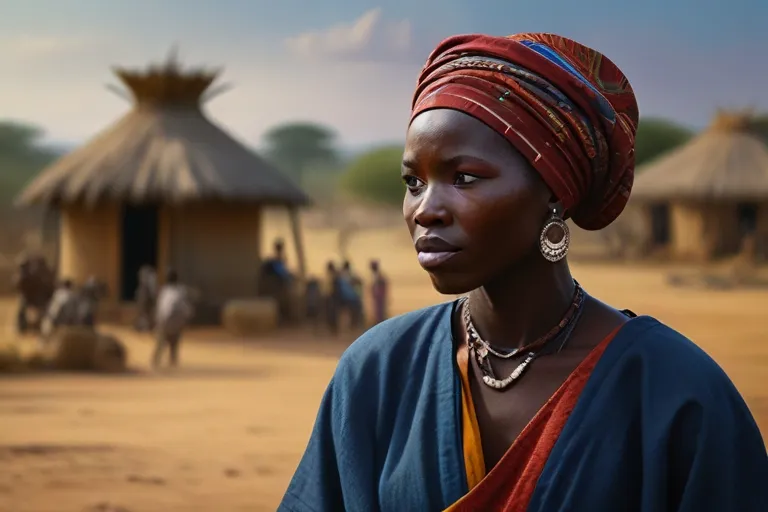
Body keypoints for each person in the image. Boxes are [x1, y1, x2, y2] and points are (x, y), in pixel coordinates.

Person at [279, 33, 768, 511]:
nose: (425, 210)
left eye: (464, 178)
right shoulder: (378, 372)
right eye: (413, 182)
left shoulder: (675, 393)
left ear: (554, 191)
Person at [152, 268, 193, 368]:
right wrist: (187, 317)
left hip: (164, 320)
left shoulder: (164, 291)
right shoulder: (180, 290)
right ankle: (172, 362)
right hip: (176, 322)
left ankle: (156, 362)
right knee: (174, 343)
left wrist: (157, 321)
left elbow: (161, 308)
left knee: (161, 342)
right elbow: (185, 307)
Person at [134, 265, 158, 331]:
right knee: (143, 312)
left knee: (147, 312)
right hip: (144, 295)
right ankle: (144, 326)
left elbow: (152, 290)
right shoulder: (150, 277)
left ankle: (146, 326)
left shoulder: (151, 277)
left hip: (147, 296)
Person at [369, 259, 389, 325]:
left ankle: (380, 323)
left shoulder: (378, 275)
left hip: (379, 296)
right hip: (378, 296)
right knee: (378, 311)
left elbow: (381, 285)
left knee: (380, 312)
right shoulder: (377, 275)